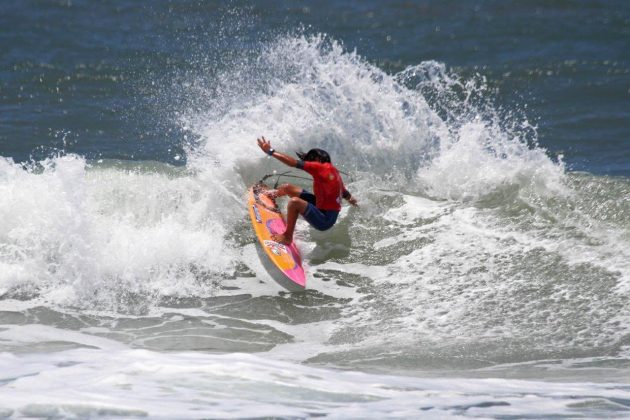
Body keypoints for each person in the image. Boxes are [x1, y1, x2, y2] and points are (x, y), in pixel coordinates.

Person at [257, 136, 357, 245]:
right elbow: (343, 191)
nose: (309, 165)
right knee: (287, 188)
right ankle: (271, 196)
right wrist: (351, 199)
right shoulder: (332, 172)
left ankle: (287, 237)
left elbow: (292, 163)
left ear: (317, 161)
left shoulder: (321, 168)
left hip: (324, 220)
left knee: (294, 202)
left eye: (310, 161)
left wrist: (271, 151)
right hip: (320, 206)